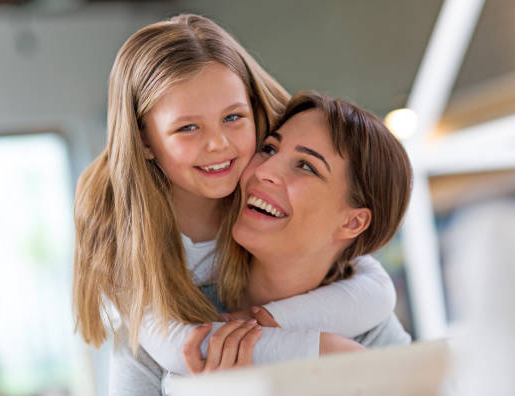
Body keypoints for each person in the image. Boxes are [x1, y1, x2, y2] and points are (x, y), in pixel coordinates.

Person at [72, 13, 401, 386]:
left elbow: (374, 287)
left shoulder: (262, 172)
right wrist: (318, 350)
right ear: (144, 140)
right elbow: (177, 346)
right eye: (188, 127)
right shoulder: (118, 223)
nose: (218, 144)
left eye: (233, 117)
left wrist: (276, 322)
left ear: (255, 112)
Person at [114, 91, 414, 394]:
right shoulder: (164, 325)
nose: (263, 171)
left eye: (306, 166)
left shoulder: (377, 343)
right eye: (269, 149)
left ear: (352, 222)